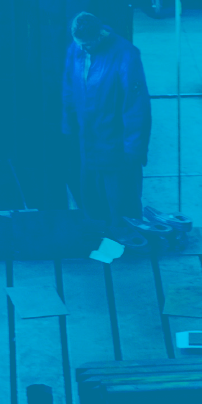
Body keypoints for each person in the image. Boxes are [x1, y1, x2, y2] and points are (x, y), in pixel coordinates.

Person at [61, 12, 151, 236]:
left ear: (100, 36)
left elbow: (136, 107)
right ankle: (98, 238)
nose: (84, 49)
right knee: (90, 196)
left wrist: (134, 148)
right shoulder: (76, 49)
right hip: (88, 140)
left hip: (115, 144)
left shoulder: (125, 56)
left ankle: (127, 241)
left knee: (119, 198)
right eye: (80, 44)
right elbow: (69, 86)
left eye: (88, 44)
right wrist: (68, 121)